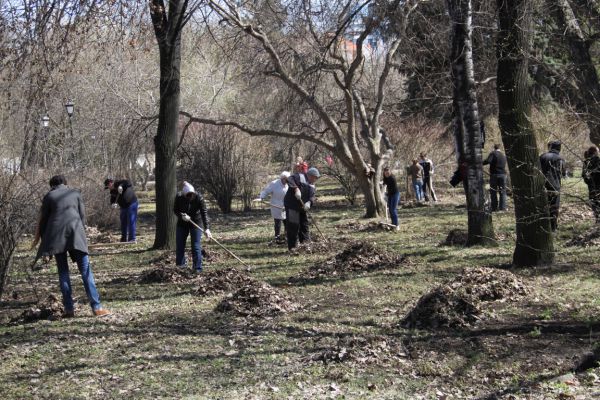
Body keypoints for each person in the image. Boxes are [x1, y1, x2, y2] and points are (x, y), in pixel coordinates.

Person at [32, 175, 110, 317]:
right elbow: (82, 216)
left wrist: (46, 245)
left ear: (52, 186)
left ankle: (69, 309)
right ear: (65, 183)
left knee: (63, 272)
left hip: (56, 238)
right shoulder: (75, 193)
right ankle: (97, 308)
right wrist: (81, 232)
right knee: (86, 271)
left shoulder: (49, 197)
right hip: (76, 234)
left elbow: (43, 222)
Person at [173, 181, 212, 272]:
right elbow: (175, 210)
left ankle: (197, 268)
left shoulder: (199, 198)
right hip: (182, 222)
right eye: (188, 195)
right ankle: (180, 266)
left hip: (196, 222)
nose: (190, 197)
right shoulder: (179, 197)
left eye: (192, 195)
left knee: (195, 246)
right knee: (180, 244)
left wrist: (207, 228)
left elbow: (204, 213)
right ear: (183, 194)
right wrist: (181, 216)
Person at [284, 167, 320, 251]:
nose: (315, 180)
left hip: (302, 207)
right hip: (292, 205)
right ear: (310, 175)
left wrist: (309, 203)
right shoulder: (300, 176)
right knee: (293, 225)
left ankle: (306, 245)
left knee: (304, 225)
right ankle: (292, 247)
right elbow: (289, 179)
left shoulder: (312, 185)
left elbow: (312, 197)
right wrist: (296, 189)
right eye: (315, 177)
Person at [540, 140, 567, 231]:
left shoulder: (542, 156)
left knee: (543, 205)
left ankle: (543, 226)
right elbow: (563, 173)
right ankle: (553, 227)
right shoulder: (560, 159)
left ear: (551, 147)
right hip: (555, 185)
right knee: (554, 207)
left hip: (542, 185)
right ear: (559, 148)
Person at [256, 171, 290, 243]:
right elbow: (266, 191)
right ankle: (277, 238)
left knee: (287, 222)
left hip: (285, 205)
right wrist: (261, 197)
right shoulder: (274, 184)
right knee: (278, 222)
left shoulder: (288, 184)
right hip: (276, 205)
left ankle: (287, 237)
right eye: (286, 179)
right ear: (283, 178)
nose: (287, 181)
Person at [104, 178, 138, 242]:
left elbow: (128, 182)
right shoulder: (112, 191)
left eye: (108, 186)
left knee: (131, 221)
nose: (108, 188)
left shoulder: (119, 182)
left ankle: (132, 239)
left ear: (110, 183)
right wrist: (113, 204)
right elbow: (112, 199)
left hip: (131, 204)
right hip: (123, 207)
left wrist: (121, 186)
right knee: (123, 223)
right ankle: (123, 239)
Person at [483, 144, 508, 211]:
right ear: (500, 148)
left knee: (493, 191)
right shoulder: (503, 155)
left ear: (494, 148)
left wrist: (480, 163)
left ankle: (494, 207)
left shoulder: (493, 153)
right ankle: (502, 208)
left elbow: (488, 161)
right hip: (503, 175)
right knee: (502, 192)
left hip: (494, 175)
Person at [583, 146, 600, 222]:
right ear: (595, 152)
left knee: (594, 202)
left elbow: (584, 175)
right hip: (599, 185)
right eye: (598, 151)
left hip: (592, 187)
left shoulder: (586, 161)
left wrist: (589, 183)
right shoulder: (598, 160)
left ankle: (597, 218)